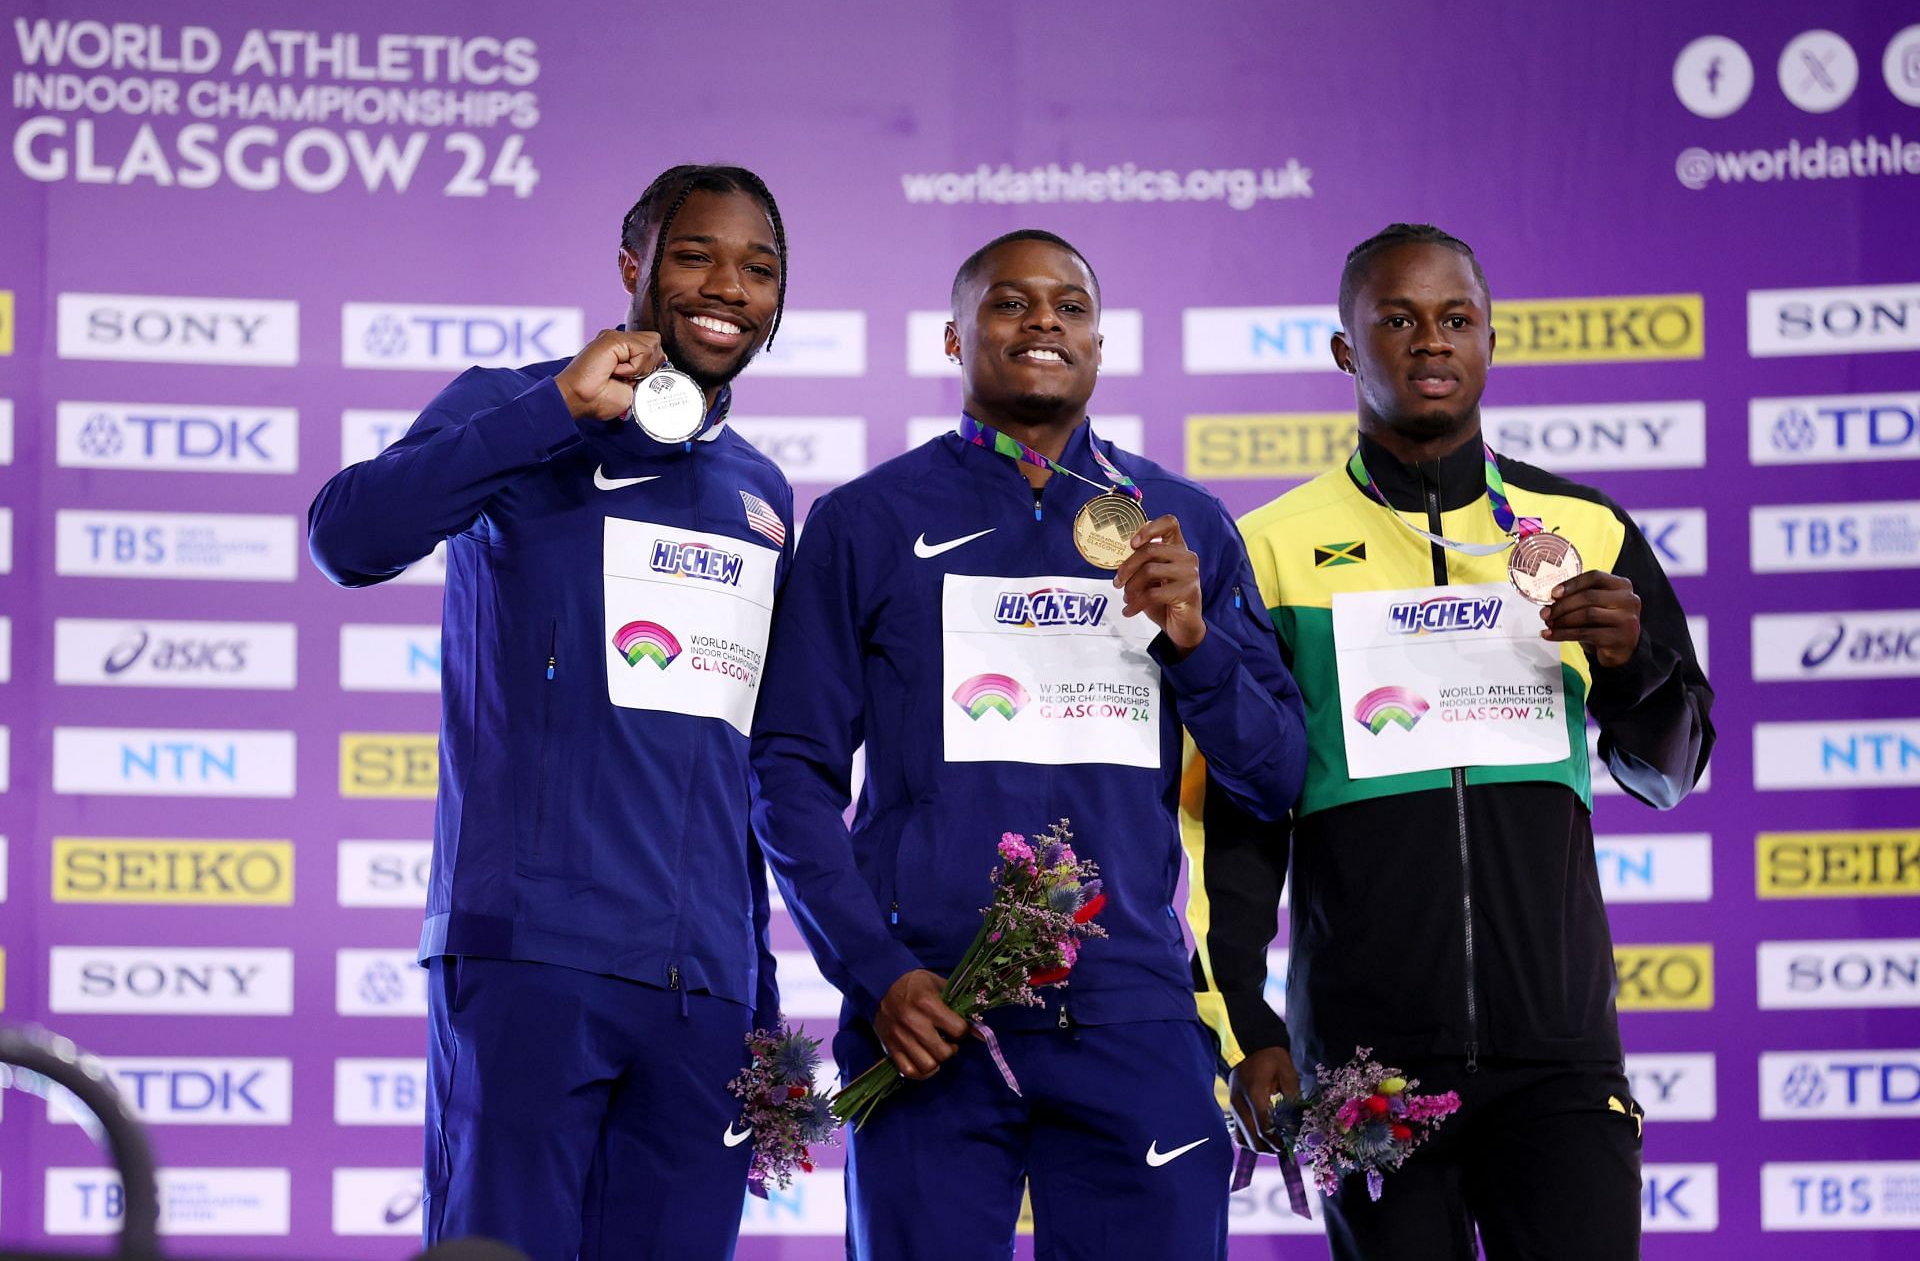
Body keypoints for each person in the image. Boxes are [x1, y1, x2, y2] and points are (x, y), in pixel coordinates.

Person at [750, 228, 1309, 1260]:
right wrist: (877, 970)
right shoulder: (866, 522)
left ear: (1099, 341)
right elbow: (787, 774)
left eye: (1071, 305)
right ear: (954, 340)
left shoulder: (1184, 524)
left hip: (1132, 1007)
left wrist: (1195, 647)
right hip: (933, 1016)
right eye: (1011, 303)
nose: (1044, 319)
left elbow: (1272, 772)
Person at [1190, 223, 1713, 1259]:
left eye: (1455, 318)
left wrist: (1633, 662)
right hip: (1366, 1062)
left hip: (1558, 1058)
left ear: (1488, 339)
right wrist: (1246, 1027)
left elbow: (1675, 770)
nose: (1431, 341)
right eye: (1398, 318)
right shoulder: (1271, 548)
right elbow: (1238, 812)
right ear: (1347, 349)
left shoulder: (1586, 531)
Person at [308, 164, 796, 1261]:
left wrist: (756, 990)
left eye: (758, 268)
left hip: (703, 995)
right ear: (633, 268)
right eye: (694, 254)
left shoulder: (762, 492)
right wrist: (556, 409)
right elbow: (347, 538)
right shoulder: (514, 407)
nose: (728, 285)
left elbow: (744, 760)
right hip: (533, 961)